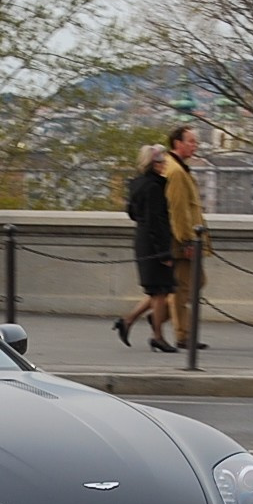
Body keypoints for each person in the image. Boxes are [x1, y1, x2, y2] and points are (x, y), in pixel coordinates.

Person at [113, 144, 178, 352]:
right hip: (154, 243)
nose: (164, 164)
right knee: (159, 291)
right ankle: (157, 336)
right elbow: (156, 221)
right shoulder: (154, 187)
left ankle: (127, 321)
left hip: (142, 239)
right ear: (153, 164)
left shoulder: (137, 184)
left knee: (157, 290)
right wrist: (164, 251)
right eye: (161, 161)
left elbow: (133, 212)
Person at [164, 124, 211, 350]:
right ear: (178, 143)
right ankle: (183, 335)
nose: (195, 146)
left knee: (193, 283)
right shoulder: (175, 171)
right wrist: (187, 240)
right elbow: (178, 210)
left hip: (188, 237)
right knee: (183, 287)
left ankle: (137, 317)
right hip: (183, 240)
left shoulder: (178, 168)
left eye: (196, 142)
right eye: (191, 142)